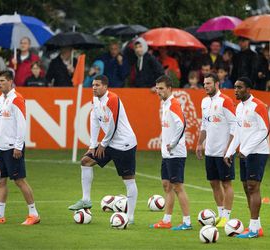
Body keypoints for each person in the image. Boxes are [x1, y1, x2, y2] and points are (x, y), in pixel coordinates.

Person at [68, 75, 138, 224]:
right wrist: (93, 145)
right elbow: (94, 120)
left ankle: (130, 217)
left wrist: (103, 144)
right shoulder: (95, 100)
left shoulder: (112, 99)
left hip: (124, 145)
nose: (94, 87)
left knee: (128, 180)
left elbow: (113, 125)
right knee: (86, 161)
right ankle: (86, 200)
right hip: (109, 143)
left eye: (97, 85)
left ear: (106, 87)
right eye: (93, 85)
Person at [0, 70, 40, 225]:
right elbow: (0, 124)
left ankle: (34, 214)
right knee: (1, 181)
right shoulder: (0, 99)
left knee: (19, 181)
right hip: (1, 147)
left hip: (13, 147)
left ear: (10, 81)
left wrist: (18, 146)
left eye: (2, 81)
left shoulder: (17, 99)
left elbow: (22, 124)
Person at [224, 77, 270, 238]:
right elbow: (237, 132)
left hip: (257, 153)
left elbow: (265, 130)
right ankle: (256, 226)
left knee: (252, 187)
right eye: (235, 87)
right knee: (246, 187)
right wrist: (229, 152)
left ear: (248, 89)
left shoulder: (258, 106)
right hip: (244, 153)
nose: (236, 90)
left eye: (240, 87)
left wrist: (247, 149)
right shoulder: (239, 108)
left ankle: (254, 229)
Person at [150, 75, 192, 230]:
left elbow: (182, 124)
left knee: (178, 187)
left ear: (169, 89)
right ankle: (166, 220)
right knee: (166, 185)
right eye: (157, 88)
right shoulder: (166, 104)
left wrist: (173, 144)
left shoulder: (173, 103)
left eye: (161, 88)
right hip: (167, 154)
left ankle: (187, 222)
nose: (158, 91)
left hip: (176, 153)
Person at [196, 73, 236, 228]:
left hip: (223, 152)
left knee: (226, 183)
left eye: (209, 83)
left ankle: (226, 216)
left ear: (217, 84)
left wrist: (229, 148)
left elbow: (234, 125)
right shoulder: (204, 102)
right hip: (210, 150)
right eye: (204, 83)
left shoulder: (225, 101)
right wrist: (200, 144)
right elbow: (204, 125)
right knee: (213, 183)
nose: (206, 86)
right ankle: (220, 215)